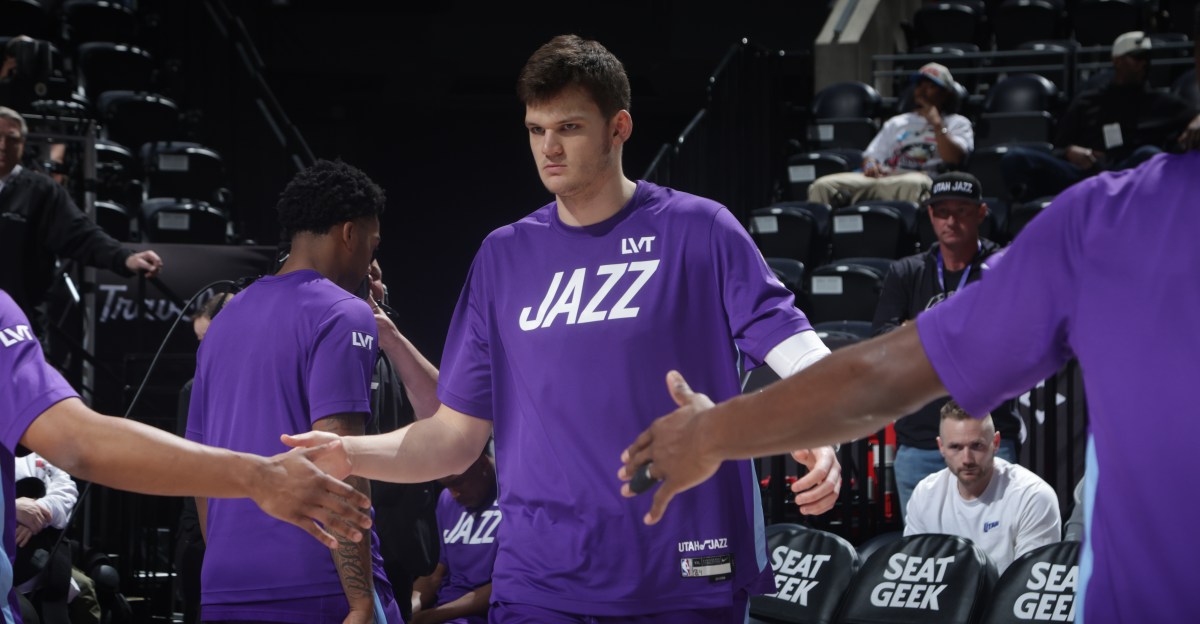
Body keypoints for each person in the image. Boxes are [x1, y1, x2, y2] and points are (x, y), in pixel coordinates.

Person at [619, 26, 1200, 616]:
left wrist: (712, 434)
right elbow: (880, 362)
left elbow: (881, 375)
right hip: (929, 439)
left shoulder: (1113, 220)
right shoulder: (1103, 222)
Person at [286, 34, 842, 622]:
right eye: (536, 129)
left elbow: (792, 341)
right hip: (540, 581)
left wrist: (822, 420)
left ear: (618, 128)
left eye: (569, 128)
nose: (548, 148)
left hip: (682, 573)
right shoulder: (503, 256)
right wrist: (348, 453)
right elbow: (454, 437)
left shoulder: (700, 229)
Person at [0, 283, 373, 624]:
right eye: (202, 340)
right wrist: (261, 476)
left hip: (254, 562)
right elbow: (78, 441)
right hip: (246, 558)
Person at [186, 159, 402, 623]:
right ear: (350, 234)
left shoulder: (222, 321)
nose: (371, 260)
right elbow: (339, 457)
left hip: (225, 584)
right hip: (318, 585)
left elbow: (202, 470)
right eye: (372, 243)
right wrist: (361, 601)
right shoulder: (343, 312)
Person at [871, 171, 1021, 515]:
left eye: (962, 211)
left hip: (988, 441)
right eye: (942, 212)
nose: (951, 220)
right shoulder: (907, 272)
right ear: (930, 215)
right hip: (920, 440)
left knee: (996, 542)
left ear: (981, 213)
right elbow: (881, 342)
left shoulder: (1003, 267)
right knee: (922, 546)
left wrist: (918, 333)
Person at [0, 107, 162, 324]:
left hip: (18, 324)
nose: (3, 145)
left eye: (12, 139)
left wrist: (125, 258)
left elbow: (81, 234)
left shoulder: (41, 191)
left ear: (23, 144)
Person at [1001, 31, 1199, 202]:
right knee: (1015, 158)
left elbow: (1195, 115)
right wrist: (1070, 152)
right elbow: (1059, 146)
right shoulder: (1088, 100)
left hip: (1126, 177)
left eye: (1147, 59)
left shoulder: (1161, 103)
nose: (1143, 64)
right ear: (1117, 61)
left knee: (1149, 154)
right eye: (1137, 58)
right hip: (1086, 174)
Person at [366, 259, 443, 623]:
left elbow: (444, 416)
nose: (367, 284)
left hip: (396, 541)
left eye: (374, 276)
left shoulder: (395, 348)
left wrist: (391, 338)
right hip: (331, 543)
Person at [903, 401, 1060, 573]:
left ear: (996, 443)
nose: (967, 459)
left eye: (976, 446)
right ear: (941, 447)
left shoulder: (1033, 496)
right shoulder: (925, 495)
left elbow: (1028, 581)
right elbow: (914, 574)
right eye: (955, 447)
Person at [807, 63, 973, 208]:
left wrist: (936, 124)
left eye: (930, 86)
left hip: (920, 179)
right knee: (823, 186)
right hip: (883, 178)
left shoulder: (957, 122)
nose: (921, 91)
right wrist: (870, 164)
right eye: (919, 85)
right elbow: (871, 156)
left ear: (945, 93)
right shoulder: (897, 122)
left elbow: (953, 158)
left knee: (915, 184)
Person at [410, 451, 499, 624]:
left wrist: (433, 616)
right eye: (446, 486)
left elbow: (509, 584)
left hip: (485, 612)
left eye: (458, 483)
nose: (453, 494)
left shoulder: (513, 499)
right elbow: (434, 576)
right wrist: (407, 610)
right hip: (445, 609)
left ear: (482, 464)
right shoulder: (446, 500)